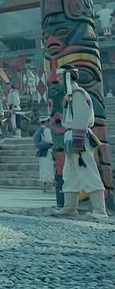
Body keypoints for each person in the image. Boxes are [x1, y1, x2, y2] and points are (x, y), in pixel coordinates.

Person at [52, 66, 108, 220]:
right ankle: (69, 207)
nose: (58, 80)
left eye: (61, 77)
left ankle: (100, 210)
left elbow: (81, 120)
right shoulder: (71, 95)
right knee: (70, 173)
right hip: (71, 137)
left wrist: (77, 143)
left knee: (88, 171)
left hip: (79, 138)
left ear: (68, 77)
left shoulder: (78, 94)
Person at [33, 115, 54, 193]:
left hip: (42, 152)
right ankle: (49, 185)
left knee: (43, 169)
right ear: (46, 122)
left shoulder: (39, 130)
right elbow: (50, 141)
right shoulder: (46, 130)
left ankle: (44, 185)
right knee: (48, 168)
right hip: (47, 151)